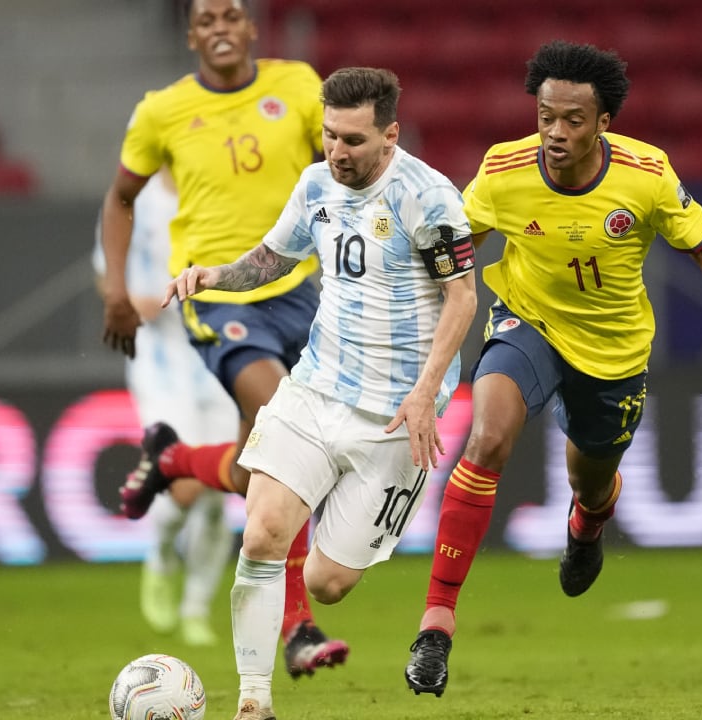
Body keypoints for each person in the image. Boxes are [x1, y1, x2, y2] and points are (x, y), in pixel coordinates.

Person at [403, 40, 702, 698]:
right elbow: (456, 246)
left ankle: (587, 525)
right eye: (545, 117)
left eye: (571, 120)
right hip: (527, 322)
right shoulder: (503, 171)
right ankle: (436, 625)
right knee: (485, 438)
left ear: (602, 124)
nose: (555, 132)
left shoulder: (646, 175)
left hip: (615, 351)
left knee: (590, 480)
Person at [165, 65, 477, 720]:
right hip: (315, 388)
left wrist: (426, 393)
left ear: (390, 136)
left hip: (397, 417)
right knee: (263, 533)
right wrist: (214, 275)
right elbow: (275, 258)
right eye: (331, 136)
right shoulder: (315, 186)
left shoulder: (430, 198)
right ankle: (254, 705)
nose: (337, 151)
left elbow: (462, 297)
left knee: (328, 584)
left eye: (354, 141)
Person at [98, 0, 349, 677]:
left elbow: (341, 160)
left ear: (249, 29)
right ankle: (297, 627)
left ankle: (175, 460)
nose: (218, 27)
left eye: (229, 15)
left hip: (300, 292)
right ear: (191, 36)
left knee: (248, 471)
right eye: (205, 18)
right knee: (284, 437)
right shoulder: (162, 111)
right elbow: (120, 198)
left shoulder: (297, 86)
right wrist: (118, 289)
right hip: (213, 297)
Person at [92, 169, 237, 646]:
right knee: (188, 482)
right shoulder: (134, 202)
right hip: (161, 362)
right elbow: (104, 274)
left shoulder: (222, 191)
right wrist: (131, 301)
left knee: (226, 486)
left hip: (220, 356)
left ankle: (196, 607)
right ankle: (159, 554)